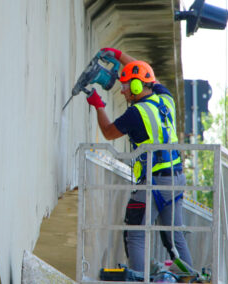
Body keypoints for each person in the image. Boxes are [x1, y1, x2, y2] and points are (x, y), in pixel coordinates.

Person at [86, 47, 193, 272]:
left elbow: (108, 132)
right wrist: (119, 55)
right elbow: (145, 72)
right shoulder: (166, 99)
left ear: (135, 87)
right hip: (176, 180)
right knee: (174, 236)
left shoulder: (136, 113)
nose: (123, 91)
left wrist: (97, 104)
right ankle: (189, 275)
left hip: (153, 183)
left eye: (125, 86)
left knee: (135, 233)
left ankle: (138, 278)